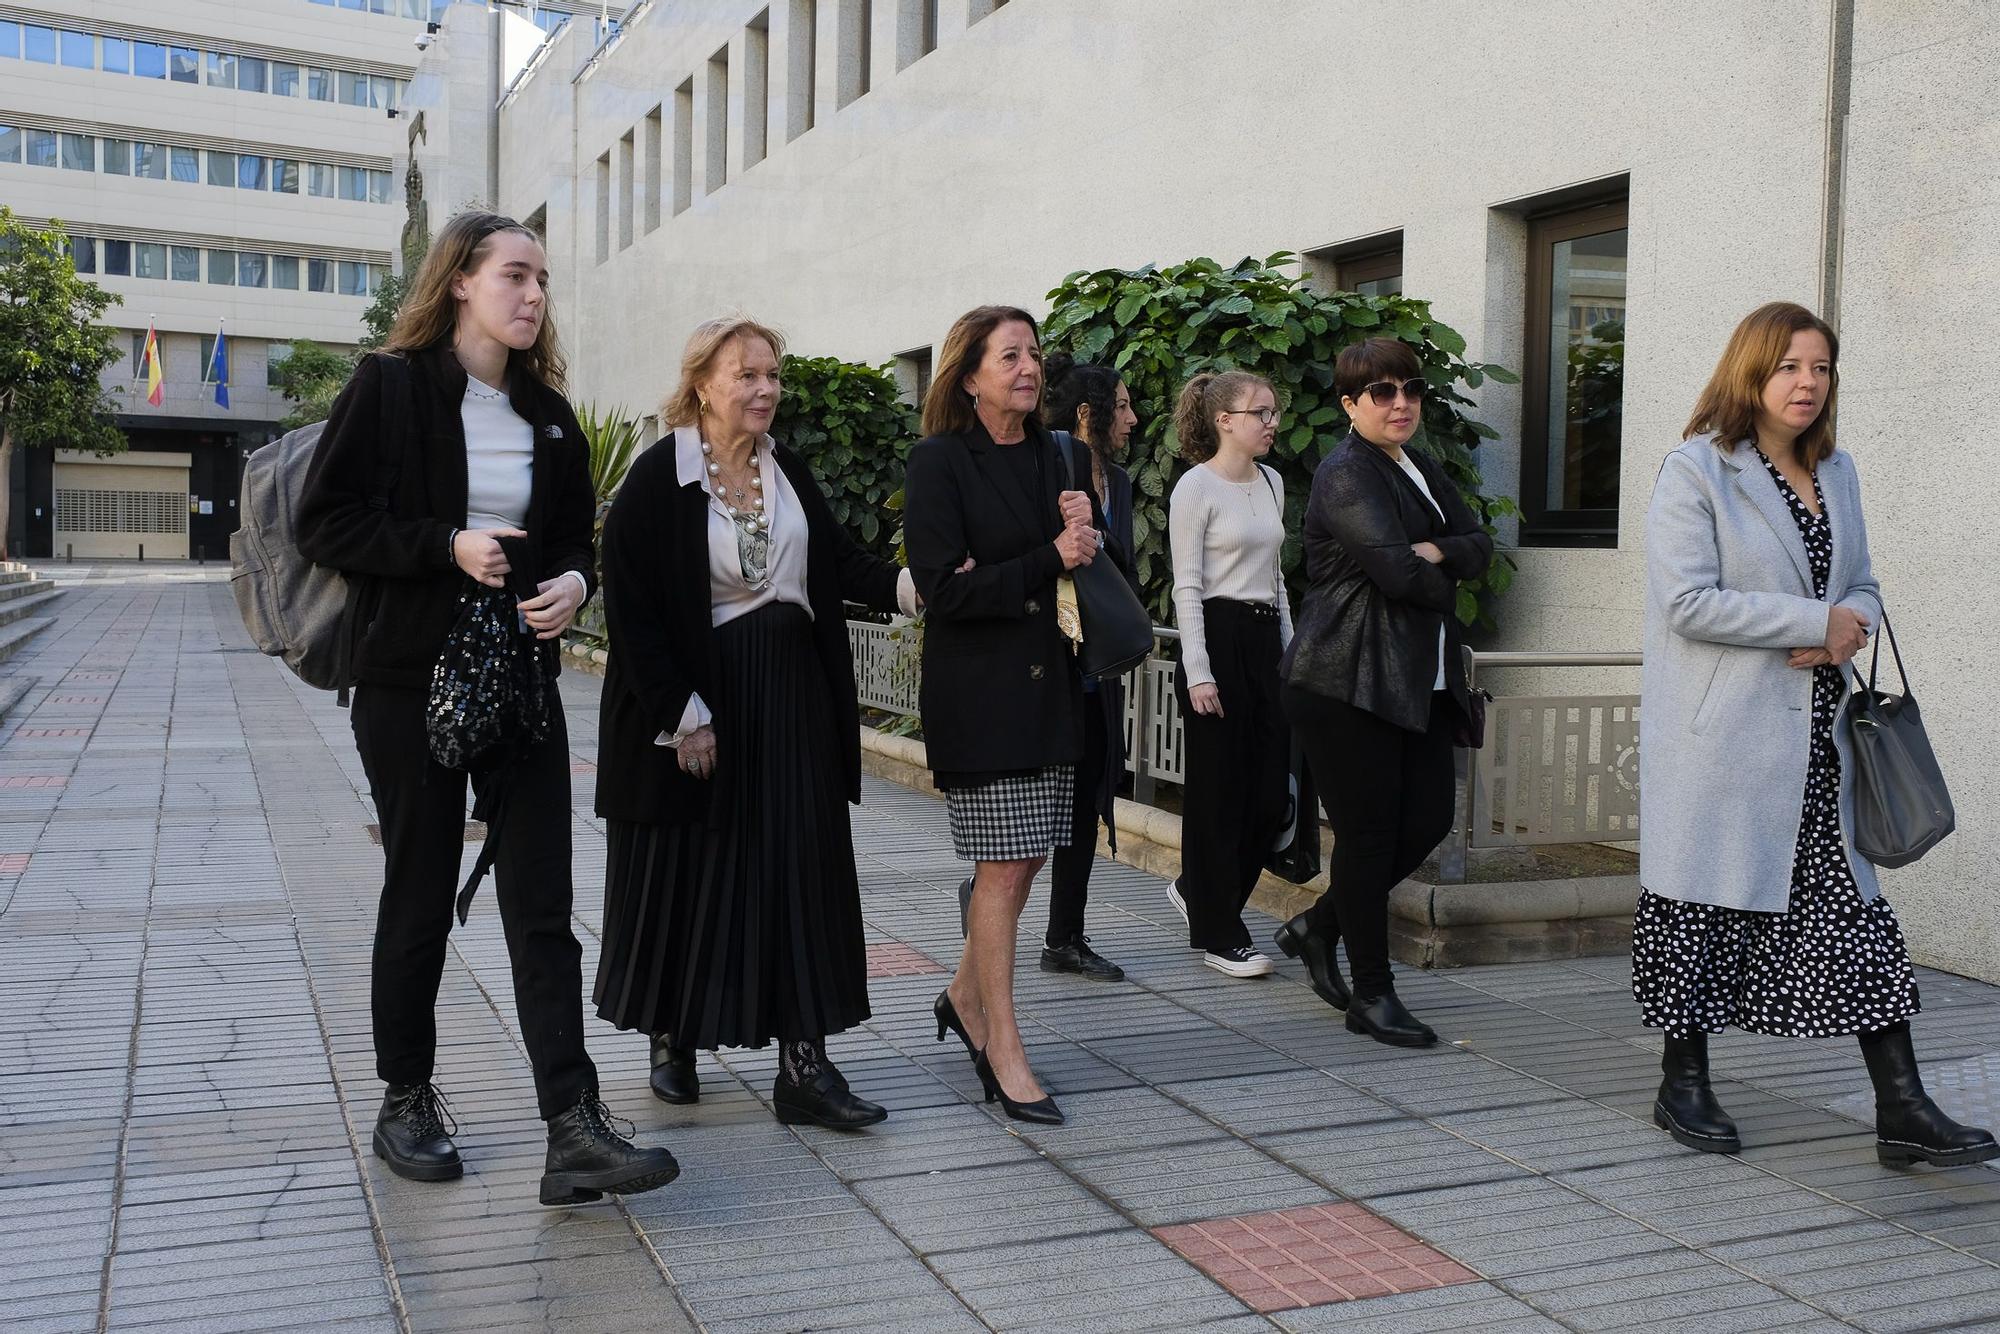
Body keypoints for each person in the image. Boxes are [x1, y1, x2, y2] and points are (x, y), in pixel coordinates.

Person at [298, 211, 678, 1206]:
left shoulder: (547, 415)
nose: (533, 295)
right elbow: (324, 520)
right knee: (419, 891)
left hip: (522, 679)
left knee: (542, 905)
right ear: (459, 280)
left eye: (542, 280)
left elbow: (571, 546)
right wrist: (445, 545)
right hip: (407, 679)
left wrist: (572, 590)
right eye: (515, 274)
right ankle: (406, 1096)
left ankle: (573, 1125)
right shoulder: (388, 388)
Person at [1635, 301, 1995, 1167]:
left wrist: (1847, 621)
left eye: (1822, 368)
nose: (1807, 383)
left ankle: (1902, 1108)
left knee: (1857, 915)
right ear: (1751, 372)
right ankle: (1682, 1082)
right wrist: (1809, 617)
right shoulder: (1696, 470)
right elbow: (1685, 601)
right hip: (1726, 740)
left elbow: (1864, 584)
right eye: (1791, 366)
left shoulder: (1839, 471)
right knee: (1703, 908)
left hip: (1820, 743)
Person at [591, 317, 919, 1131]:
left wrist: (924, 587)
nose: (765, 389)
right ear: (703, 383)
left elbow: (840, 565)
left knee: (798, 869)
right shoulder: (657, 477)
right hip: (702, 700)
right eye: (747, 374)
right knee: (690, 868)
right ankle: (674, 1034)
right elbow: (631, 607)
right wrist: (682, 714)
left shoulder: (788, 470)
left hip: (794, 697)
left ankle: (804, 1065)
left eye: (772, 374)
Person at [904, 305, 1106, 1126]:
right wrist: (1044, 559)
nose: (1029, 367)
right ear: (970, 373)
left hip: (1051, 687)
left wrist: (1083, 535)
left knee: (1024, 866)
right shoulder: (940, 461)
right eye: (1010, 355)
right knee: (1002, 868)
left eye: (1035, 353)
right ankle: (1003, 1047)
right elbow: (942, 590)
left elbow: (1081, 568)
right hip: (981, 695)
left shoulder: (1057, 453)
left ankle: (963, 995)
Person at [1278, 337, 1492, 1048]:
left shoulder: (1419, 465)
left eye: (1410, 390)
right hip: (1347, 677)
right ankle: (1371, 992)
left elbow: (1480, 543)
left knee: (1426, 819)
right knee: (1369, 838)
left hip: (1416, 681)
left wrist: (1435, 553)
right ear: (1348, 403)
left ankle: (1320, 925)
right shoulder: (1346, 473)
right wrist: (1434, 560)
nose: (1401, 403)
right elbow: (1401, 577)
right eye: (1381, 392)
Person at [962, 354, 1139, 982]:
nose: (1132, 418)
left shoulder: (1117, 481)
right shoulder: (1045, 466)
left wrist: (1094, 533)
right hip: (1042, 664)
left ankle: (1065, 933)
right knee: (1027, 818)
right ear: (1087, 413)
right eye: (1120, 406)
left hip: (1095, 664)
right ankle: (985, 914)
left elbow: (1120, 567)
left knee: (1087, 800)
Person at [1165, 371, 1295, 978]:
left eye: (1273, 412)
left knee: (1269, 797)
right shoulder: (1195, 489)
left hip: (1266, 640)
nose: (1271, 423)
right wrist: (1198, 672)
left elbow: (1278, 578)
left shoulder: (1272, 482)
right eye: (1259, 413)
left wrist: (1291, 653)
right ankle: (1219, 931)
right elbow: (1186, 586)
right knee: (1218, 792)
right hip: (1217, 639)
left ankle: (1200, 890)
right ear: (1225, 420)